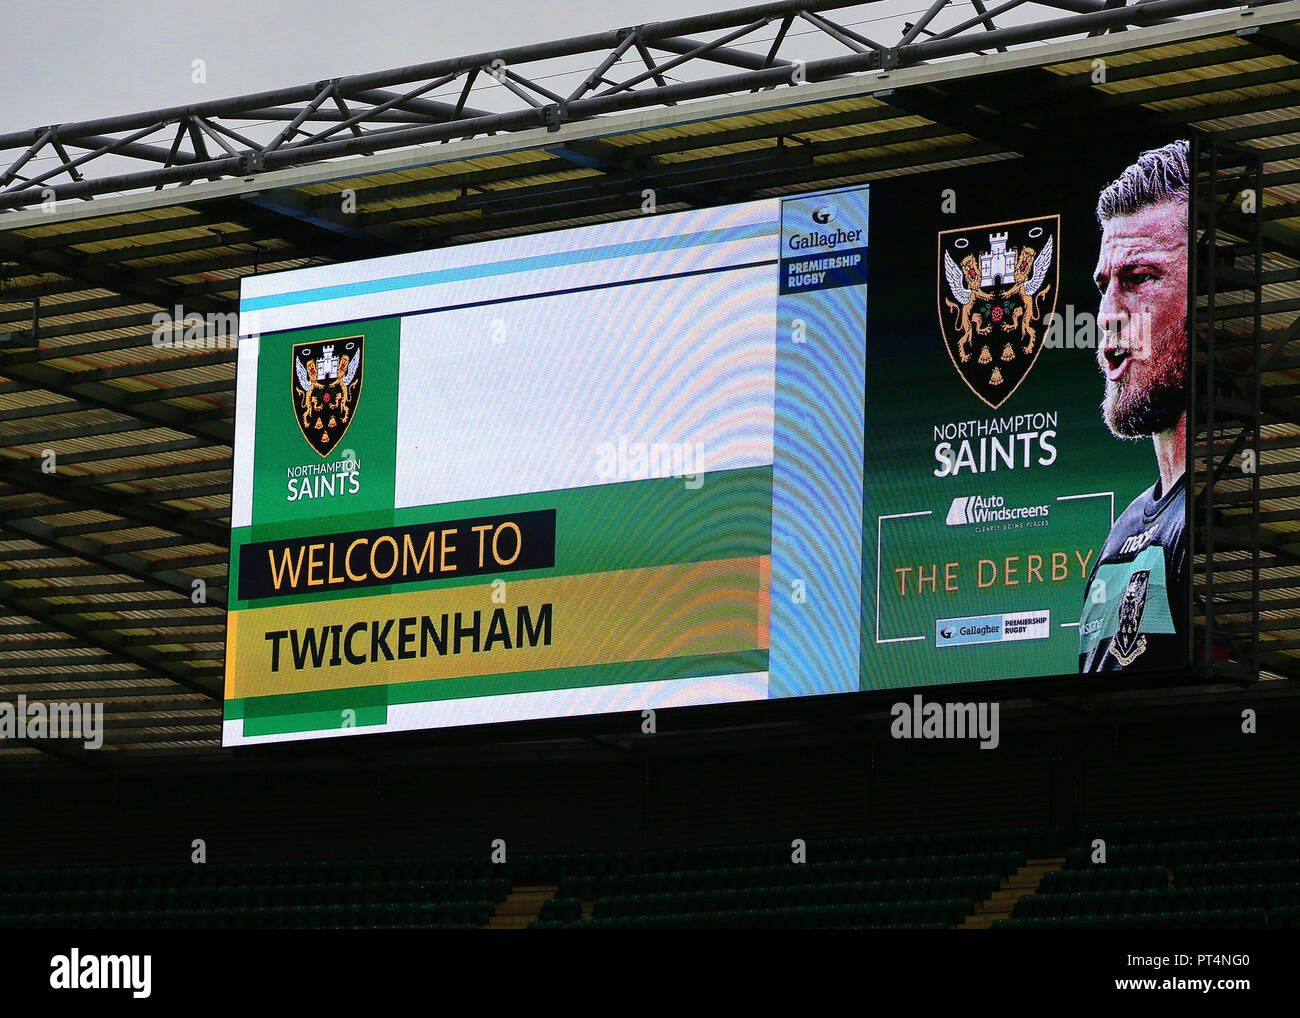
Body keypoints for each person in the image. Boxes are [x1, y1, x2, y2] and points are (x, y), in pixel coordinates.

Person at [1078, 140, 1189, 672]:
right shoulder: (1121, 537)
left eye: (1139, 278)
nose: (1107, 316)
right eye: (1103, 285)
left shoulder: (1239, 513)